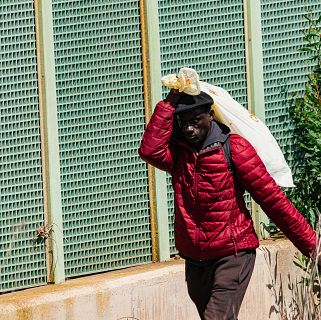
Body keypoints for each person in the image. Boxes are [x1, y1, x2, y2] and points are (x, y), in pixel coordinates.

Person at [138, 89, 317, 320]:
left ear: (210, 115)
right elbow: (149, 150)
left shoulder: (235, 149)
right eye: (183, 123)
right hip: (196, 260)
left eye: (195, 121)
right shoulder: (180, 155)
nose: (189, 129)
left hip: (233, 254)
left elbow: (274, 202)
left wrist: (315, 250)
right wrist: (169, 103)